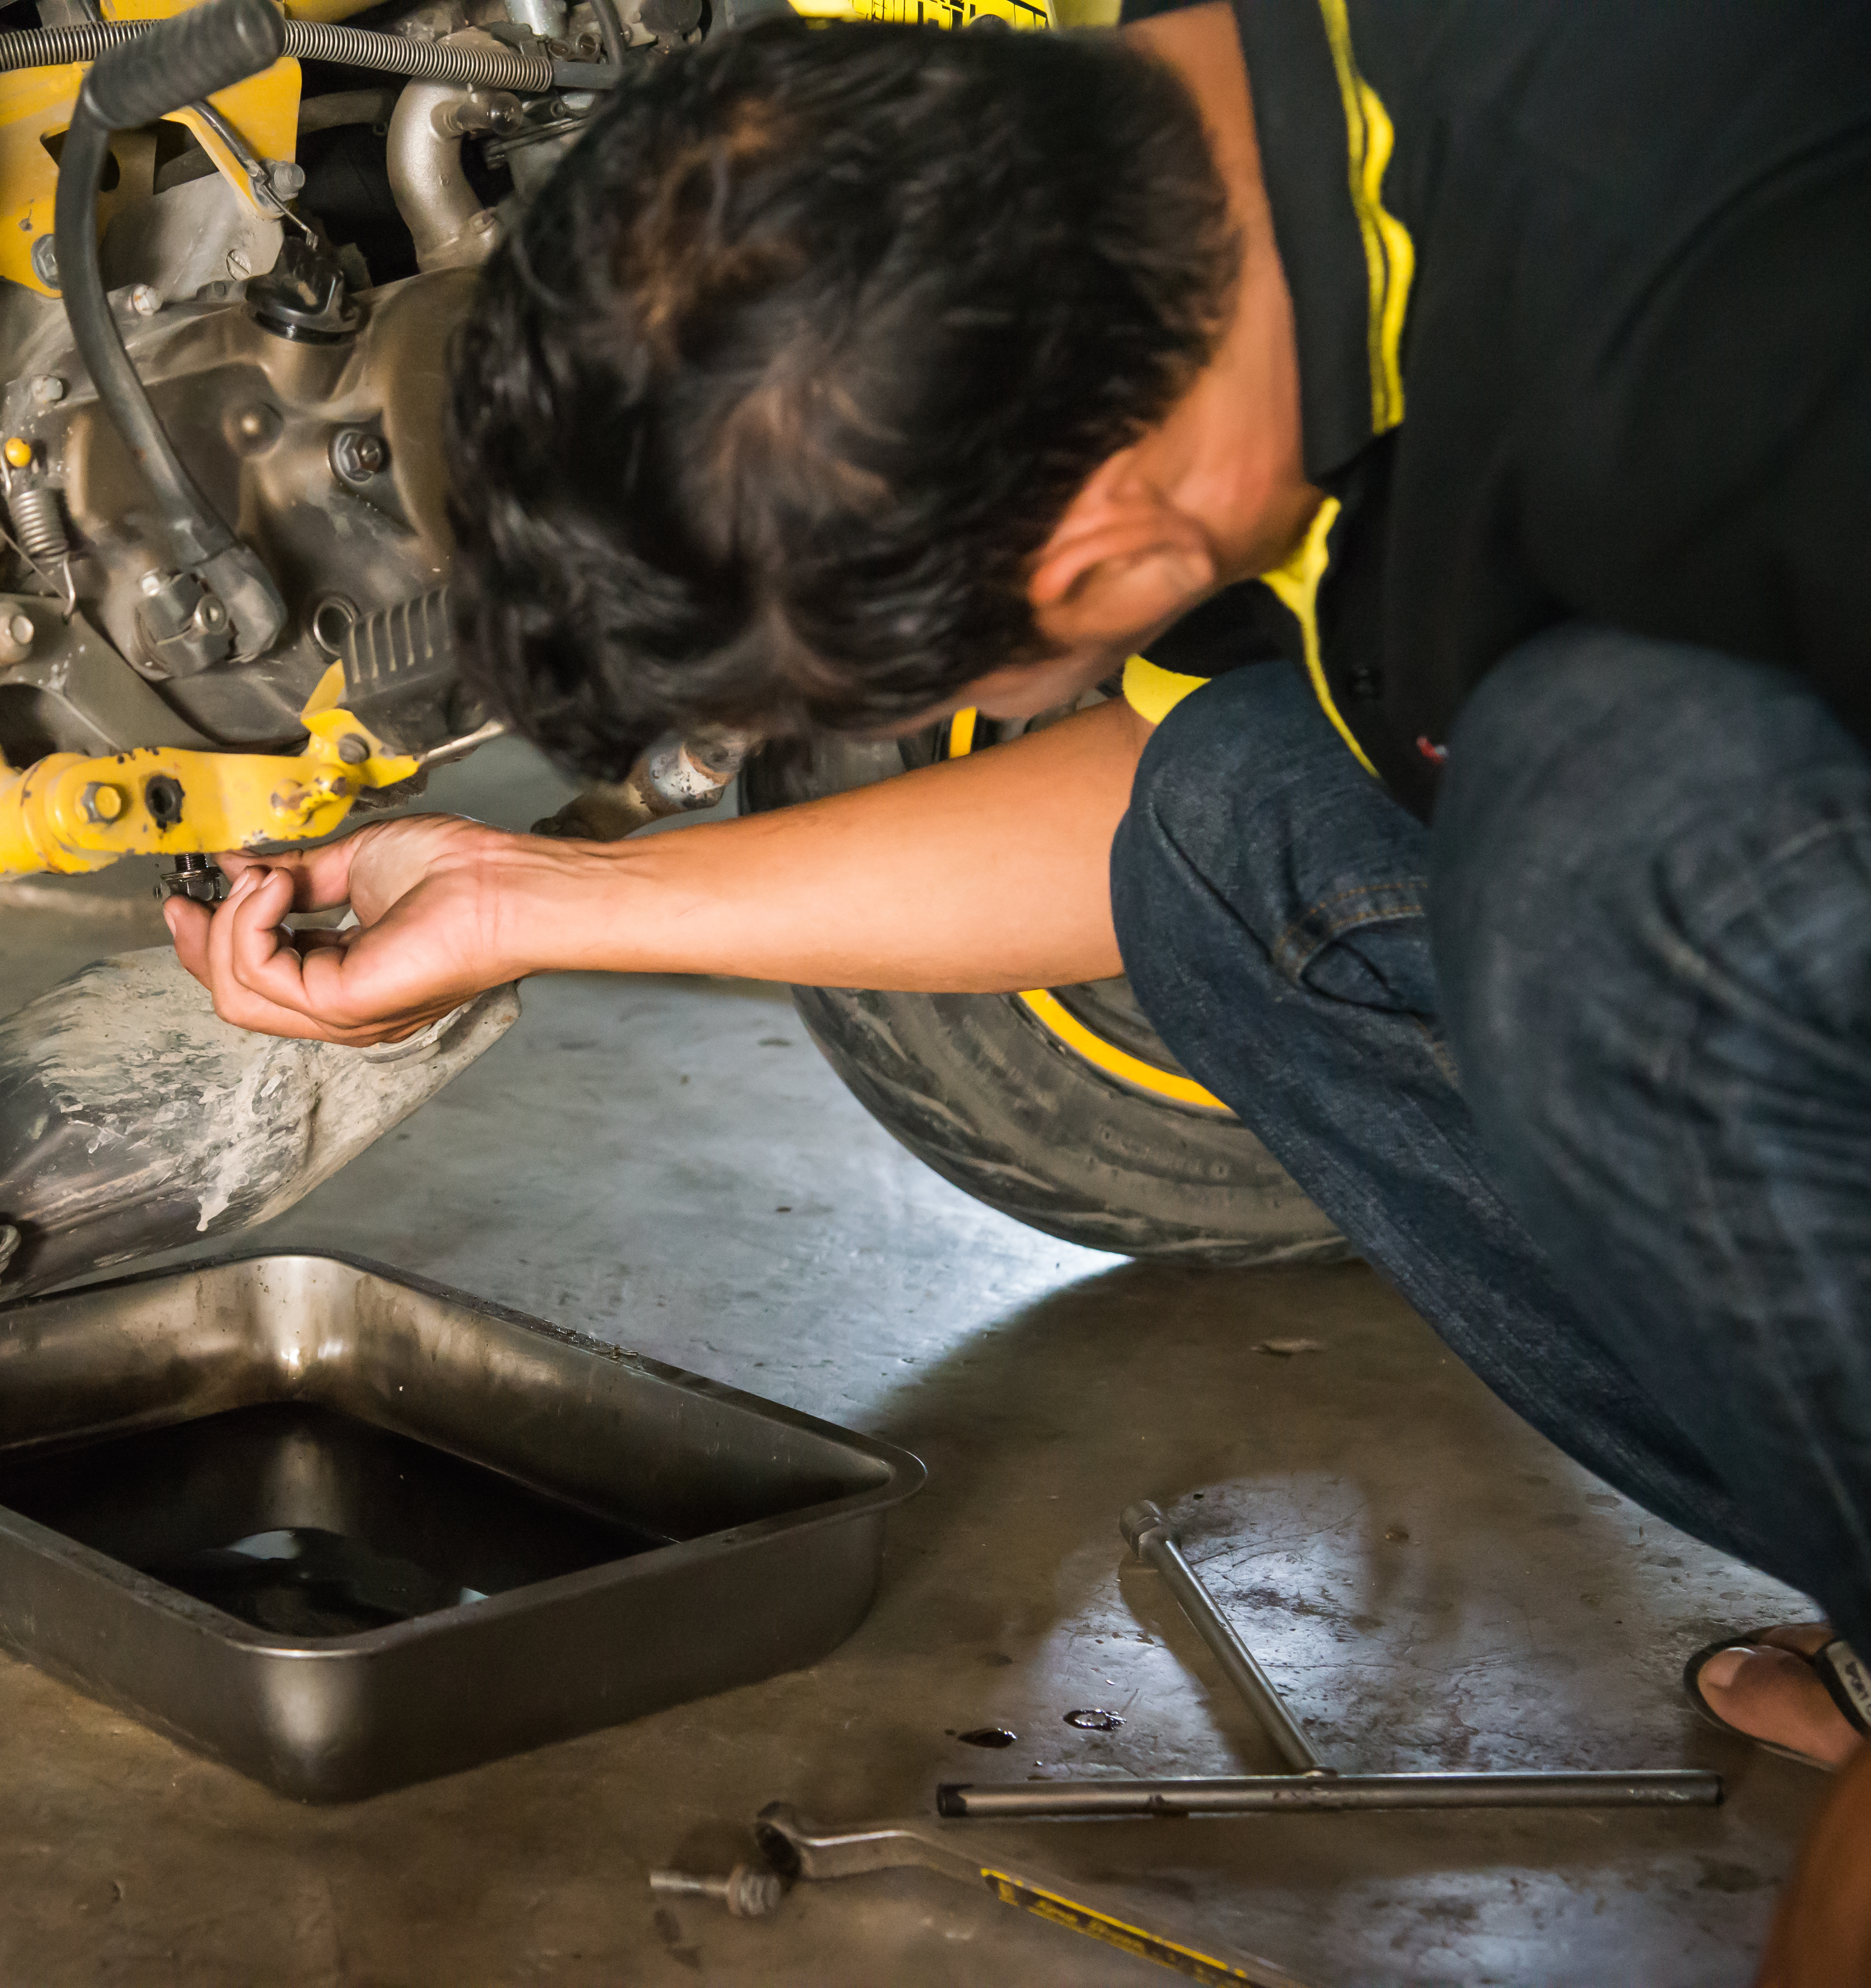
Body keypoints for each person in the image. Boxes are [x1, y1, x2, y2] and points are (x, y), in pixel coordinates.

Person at [163, 0, 1871, 1966]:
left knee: (1608, 850)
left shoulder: (1744, 352)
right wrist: (526, 894)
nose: (983, 720)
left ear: (1108, 543)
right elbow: (1144, 806)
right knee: (1238, 819)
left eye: (963, 690)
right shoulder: (1238, 167)